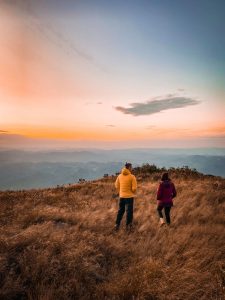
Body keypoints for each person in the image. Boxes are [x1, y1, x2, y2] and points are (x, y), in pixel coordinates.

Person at [114, 162, 137, 231]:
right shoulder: (132, 176)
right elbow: (134, 188)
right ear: (129, 167)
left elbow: (116, 185)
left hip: (121, 196)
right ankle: (128, 227)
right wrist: (132, 192)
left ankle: (117, 225)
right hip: (129, 197)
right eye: (131, 167)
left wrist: (121, 191)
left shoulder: (119, 176)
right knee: (129, 212)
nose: (132, 169)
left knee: (120, 211)